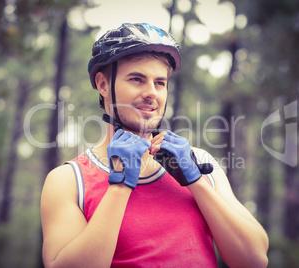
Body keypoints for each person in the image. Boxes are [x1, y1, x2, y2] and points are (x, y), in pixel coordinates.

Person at [40, 22, 269, 268]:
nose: (152, 93)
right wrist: (119, 185)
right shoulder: (69, 180)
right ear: (104, 85)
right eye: (137, 79)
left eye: (160, 83)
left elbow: (254, 260)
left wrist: (195, 182)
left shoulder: (200, 164)